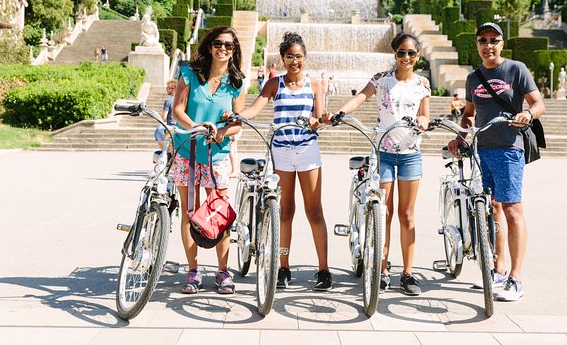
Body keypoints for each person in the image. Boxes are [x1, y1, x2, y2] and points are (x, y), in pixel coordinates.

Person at [323, 32, 430, 296]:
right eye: (401, 52)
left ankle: (407, 273)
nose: (406, 58)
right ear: (394, 54)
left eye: (411, 53)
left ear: (418, 56)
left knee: (407, 215)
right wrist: (340, 112)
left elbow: (425, 114)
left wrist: (425, 121)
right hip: (383, 151)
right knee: (385, 213)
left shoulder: (422, 84)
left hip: (411, 153)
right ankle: (382, 270)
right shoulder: (381, 80)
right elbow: (360, 97)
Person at [447, 22, 546, 302]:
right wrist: (461, 135)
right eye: (483, 40)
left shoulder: (516, 69)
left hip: (508, 147)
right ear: (476, 45)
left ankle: (516, 278)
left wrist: (528, 113)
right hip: (482, 149)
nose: (488, 45)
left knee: (513, 209)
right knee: (491, 208)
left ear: (501, 43)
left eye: (493, 40)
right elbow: (469, 114)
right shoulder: (473, 77)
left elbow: (540, 104)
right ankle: (498, 269)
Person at [226, 32, 331, 291]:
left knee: (314, 211)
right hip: (281, 152)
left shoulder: (315, 85)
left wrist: (320, 121)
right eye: (289, 57)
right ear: (282, 59)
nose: (294, 61)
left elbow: (319, 118)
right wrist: (237, 116)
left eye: (298, 57)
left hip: (307, 151)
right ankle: (283, 266)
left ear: (305, 58)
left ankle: (324, 269)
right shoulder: (275, 84)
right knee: (284, 211)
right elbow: (256, 107)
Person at [172, 26, 246, 295]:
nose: (223, 48)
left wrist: (222, 132)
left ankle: (223, 272)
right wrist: (197, 125)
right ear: (209, 45)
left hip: (218, 154)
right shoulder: (191, 74)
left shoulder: (236, 82)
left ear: (234, 49)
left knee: (218, 214)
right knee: (190, 212)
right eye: (218, 43)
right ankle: (193, 271)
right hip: (187, 151)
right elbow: (177, 109)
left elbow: (239, 123)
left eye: (228, 45)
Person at [154, 79, 177, 150]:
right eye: (168, 88)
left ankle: (165, 151)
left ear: (174, 89)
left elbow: (164, 118)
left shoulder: (168, 101)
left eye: (170, 88)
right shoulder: (182, 100)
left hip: (170, 128)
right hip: (180, 128)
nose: (168, 90)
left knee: (158, 131)